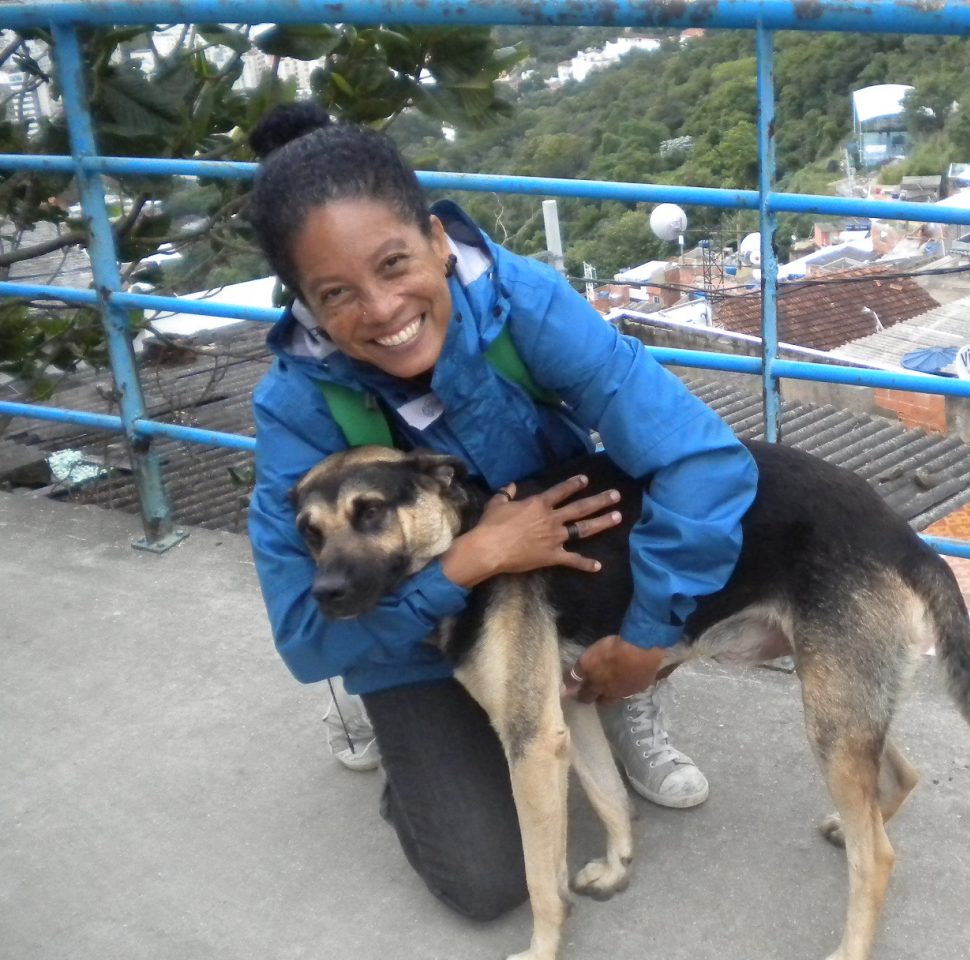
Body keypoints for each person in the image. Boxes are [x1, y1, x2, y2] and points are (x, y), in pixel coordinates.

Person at [244, 102, 758, 919]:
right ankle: (416, 756)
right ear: (305, 303)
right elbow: (308, 639)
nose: (381, 309)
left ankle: (617, 688)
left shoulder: (522, 303)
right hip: (415, 628)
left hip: (557, 565)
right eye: (337, 293)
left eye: (394, 264)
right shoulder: (295, 410)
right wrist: (471, 560)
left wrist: (648, 637)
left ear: (437, 241)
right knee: (486, 880)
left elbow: (701, 460)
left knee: (655, 525)